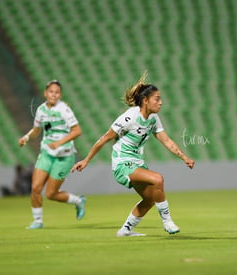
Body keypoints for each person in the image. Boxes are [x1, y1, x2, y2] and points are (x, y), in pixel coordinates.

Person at [71, 73, 195, 237]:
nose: (161, 102)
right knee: (158, 179)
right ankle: (167, 221)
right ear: (145, 101)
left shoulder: (153, 118)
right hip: (122, 165)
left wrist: (184, 157)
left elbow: (166, 141)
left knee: (150, 199)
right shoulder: (129, 117)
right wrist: (86, 160)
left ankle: (125, 230)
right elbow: (104, 139)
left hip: (137, 163)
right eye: (157, 99)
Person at [19, 80, 86, 229]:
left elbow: (77, 131)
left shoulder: (64, 109)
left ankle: (78, 201)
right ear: (45, 93)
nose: (53, 95)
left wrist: (59, 142)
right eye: (51, 91)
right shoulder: (41, 110)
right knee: (35, 187)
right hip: (47, 153)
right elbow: (36, 130)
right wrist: (27, 137)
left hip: (64, 156)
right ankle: (38, 221)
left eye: (56, 92)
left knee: (51, 194)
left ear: (60, 95)